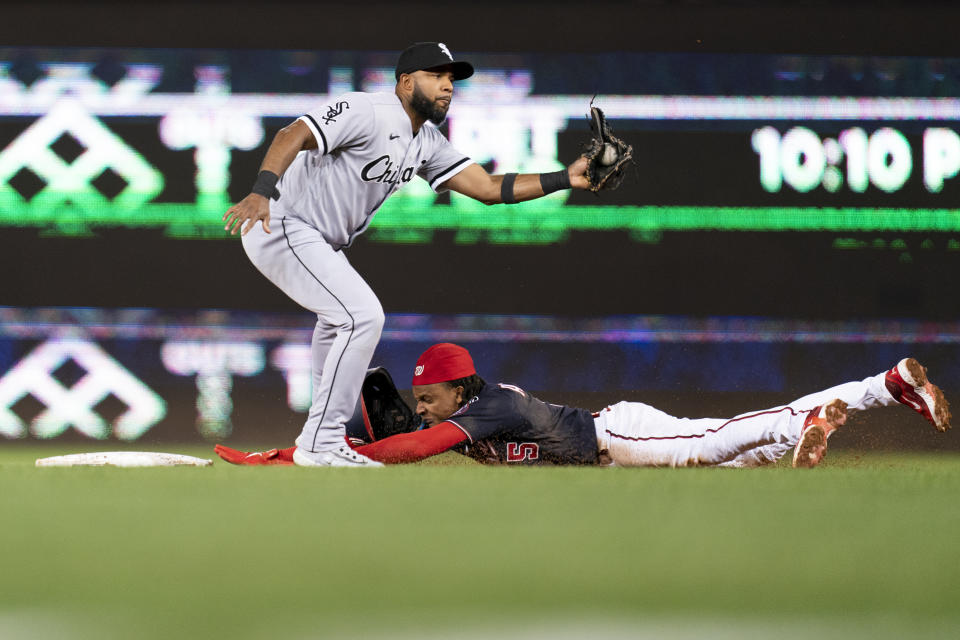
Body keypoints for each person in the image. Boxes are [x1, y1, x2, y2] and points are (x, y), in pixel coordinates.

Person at [221, 43, 591, 467]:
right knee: (362, 316)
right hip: (282, 223)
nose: (448, 87)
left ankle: (323, 440)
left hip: (317, 241)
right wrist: (260, 192)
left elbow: (489, 189)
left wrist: (567, 177)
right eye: (438, 76)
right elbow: (293, 134)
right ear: (406, 81)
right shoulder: (369, 110)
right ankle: (321, 443)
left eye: (452, 80)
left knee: (339, 321)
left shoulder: (427, 142)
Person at [215, 343, 952, 468]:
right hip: (612, 436)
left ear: (458, 386)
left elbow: (409, 449)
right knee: (740, 454)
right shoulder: (473, 406)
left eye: (429, 390)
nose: (421, 402)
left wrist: (324, 456)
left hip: (615, 438)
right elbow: (396, 440)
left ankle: (811, 419)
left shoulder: (487, 407)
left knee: (721, 442)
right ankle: (877, 388)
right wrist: (299, 453)